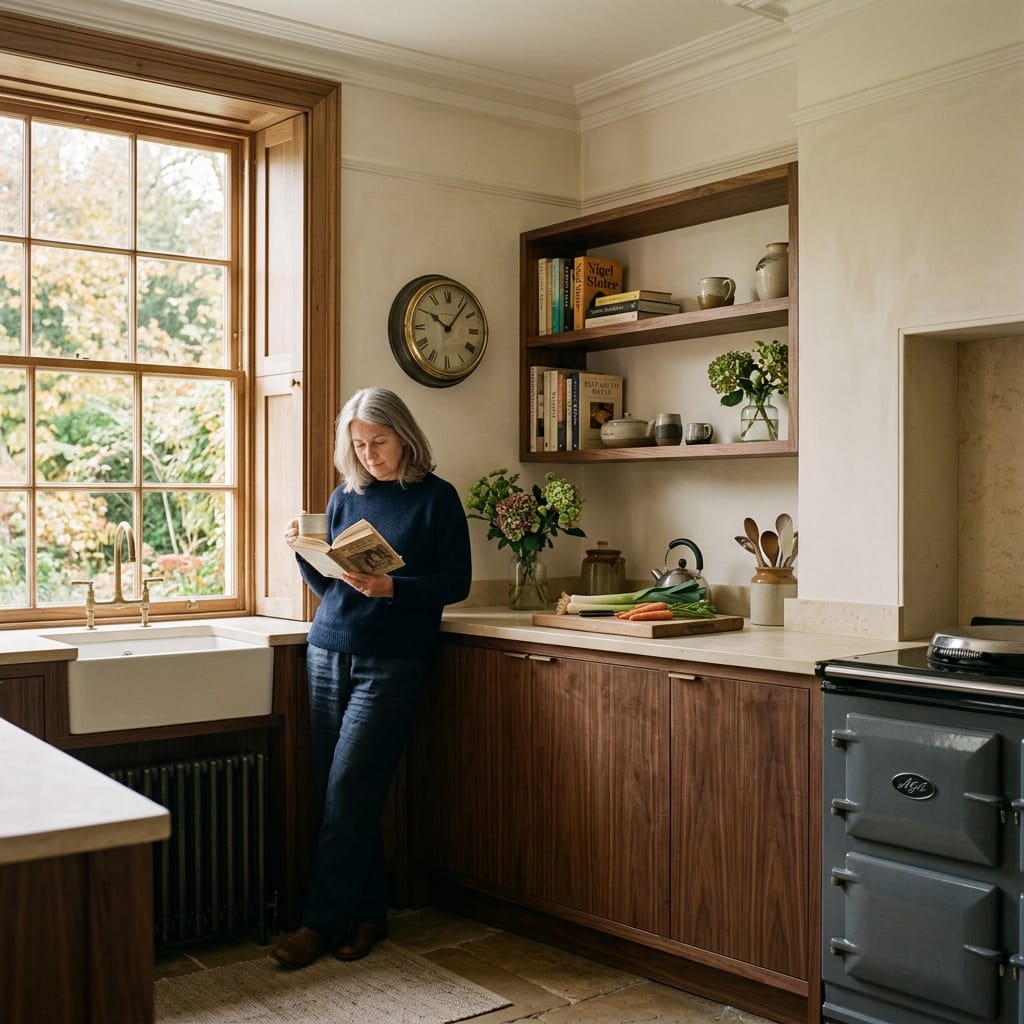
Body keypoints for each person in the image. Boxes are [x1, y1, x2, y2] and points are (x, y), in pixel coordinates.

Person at [271, 387, 472, 969]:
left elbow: (455, 582)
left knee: (349, 791)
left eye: (377, 443)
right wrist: (304, 553)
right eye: (358, 446)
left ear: (404, 435)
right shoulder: (344, 496)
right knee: (342, 795)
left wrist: (394, 588)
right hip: (329, 648)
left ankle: (319, 924)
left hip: (394, 661)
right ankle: (369, 915)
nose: (368, 455)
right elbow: (333, 590)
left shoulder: (437, 499)